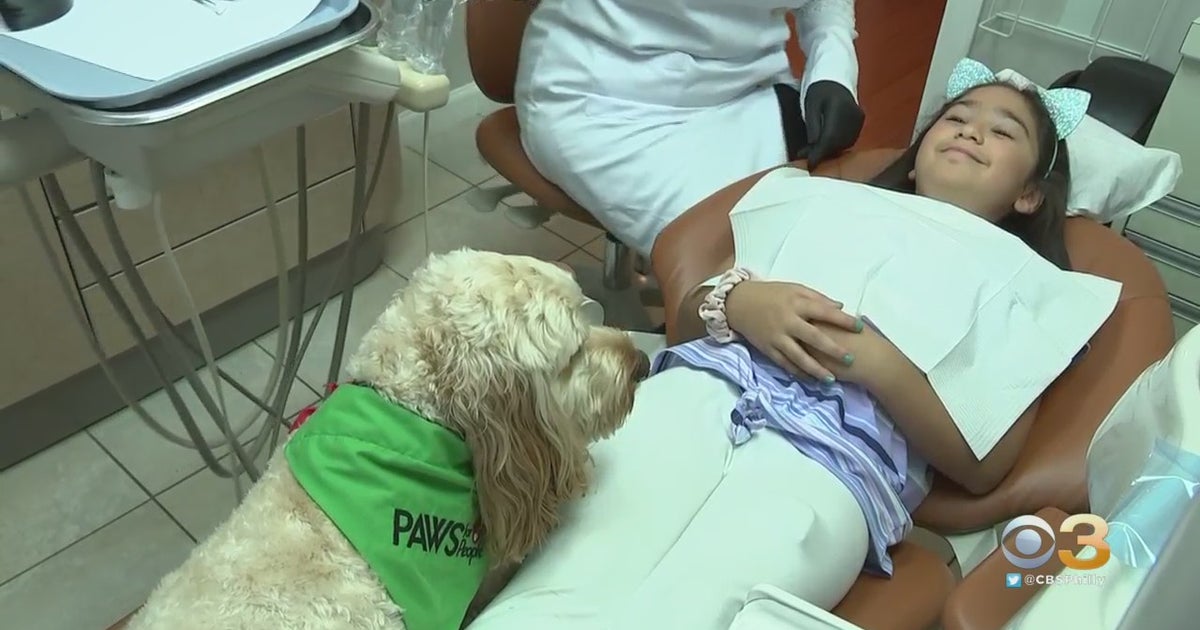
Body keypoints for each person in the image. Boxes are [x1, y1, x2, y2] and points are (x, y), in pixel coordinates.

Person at [466, 61, 1085, 629]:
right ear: (916, 159)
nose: (971, 131)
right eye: (956, 118)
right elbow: (688, 317)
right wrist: (740, 303)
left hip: (836, 465)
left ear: (1029, 194)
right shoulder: (825, 200)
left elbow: (985, 466)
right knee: (573, 552)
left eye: (1002, 132)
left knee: (702, 603)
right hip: (699, 391)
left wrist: (879, 366)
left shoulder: (1028, 290)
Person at [514, 0, 864, 259]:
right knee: (747, 263)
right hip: (608, 104)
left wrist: (833, 67)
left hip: (745, 88)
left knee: (834, 239)